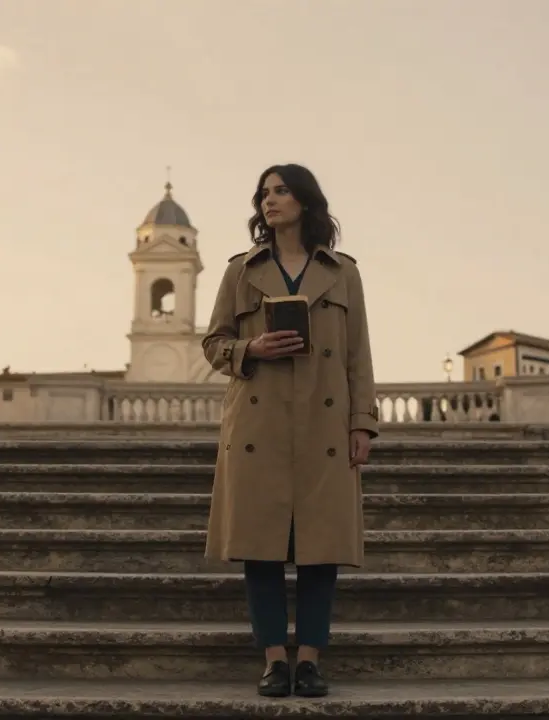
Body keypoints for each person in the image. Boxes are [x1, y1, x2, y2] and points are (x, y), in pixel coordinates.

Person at [201, 163, 379, 698]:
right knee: (259, 545)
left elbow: (359, 356)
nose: (268, 201)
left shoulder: (343, 271)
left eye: (280, 191)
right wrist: (248, 349)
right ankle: (274, 659)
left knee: (322, 547)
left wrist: (362, 424)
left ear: (305, 201)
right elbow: (213, 344)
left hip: (324, 423)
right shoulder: (241, 270)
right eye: (263, 193)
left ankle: (310, 660)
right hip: (259, 420)